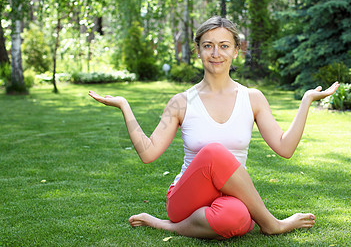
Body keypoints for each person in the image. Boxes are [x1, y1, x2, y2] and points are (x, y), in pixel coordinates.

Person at [88, 16, 339, 240]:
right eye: (208, 45)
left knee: (238, 218)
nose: (216, 53)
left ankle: (167, 227)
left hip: (229, 199)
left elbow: (285, 148)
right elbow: (148, 153)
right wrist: (124, 106)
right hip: (185, 199)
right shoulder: (181, 102)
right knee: (214, 153)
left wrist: (306, 101)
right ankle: (272, 224)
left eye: (224, 45)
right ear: (198, 50)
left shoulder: (252, 98)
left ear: (236, 51)